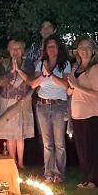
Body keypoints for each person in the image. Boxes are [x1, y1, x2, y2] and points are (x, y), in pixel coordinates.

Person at [30, 34, 71, 183]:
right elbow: (33, 84)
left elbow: (66, 85)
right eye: (49, 46)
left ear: (59, 48)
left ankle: (59, 173)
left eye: (54, 46)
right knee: (47, 143)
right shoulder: (40, 64)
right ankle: (48, 173)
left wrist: (51, 74)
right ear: (45, 49)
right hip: (42, 105)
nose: (52, 49)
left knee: (59, 143)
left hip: (59, 106)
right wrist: (43, 74)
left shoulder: (65, 64)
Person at [66, 36, 98, 189]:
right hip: (77, 114)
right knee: (82, 150)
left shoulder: (94, 69)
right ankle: (86, 178)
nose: (85, 50)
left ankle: (94, 180)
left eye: (88, 47)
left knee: (93, 149)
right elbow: (71, 90)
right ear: (77, 50)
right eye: (81, 47)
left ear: (93, 51)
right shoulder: (75, 67)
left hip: (91, 114)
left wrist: (77, 85)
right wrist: (70, 88)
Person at [0, 39, 35, 168]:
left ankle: (21, 162)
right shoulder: (4, 64)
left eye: (18, 49)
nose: (15, 51)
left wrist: (19, 70)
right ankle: (12, 161)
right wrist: (11, 71)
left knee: (20, 134)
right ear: (9, 50)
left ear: (22, 51)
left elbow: (31, 81)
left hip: (22, 101)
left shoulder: (28, 64)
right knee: (10, 134)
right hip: (7, 101)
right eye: (13, 49)